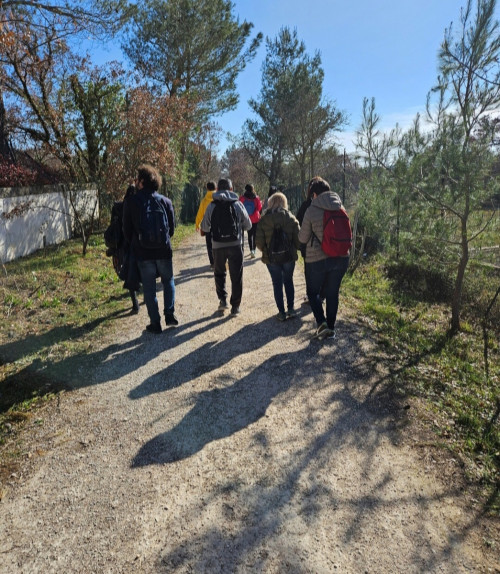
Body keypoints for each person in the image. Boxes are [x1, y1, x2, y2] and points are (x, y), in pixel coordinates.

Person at [123, 164, 177, 334]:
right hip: (164, 250)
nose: (135, 182)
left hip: (143, 253)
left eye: (137, 179)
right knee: (168, 281)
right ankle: (169, 315)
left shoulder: (132, 202)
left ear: (142, 182)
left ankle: (155, 323)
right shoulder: (165, 201)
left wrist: (138, 242)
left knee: (149, 288)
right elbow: (172, 228)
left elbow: (126, 229)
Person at [298, 177, 350, 340]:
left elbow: (303, 238)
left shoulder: (311, 210)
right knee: (333, 292)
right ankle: (331, 327)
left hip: (317, 259)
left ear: (314, 194)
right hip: (341, 257)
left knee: (313, 293)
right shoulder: (341, 206)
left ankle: (321, 323)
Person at [201, 178, 252, 315]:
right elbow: (248, 225)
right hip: (235, 245)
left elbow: (204, 227)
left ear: (217, 190)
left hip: (217, 246)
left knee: (219, 273)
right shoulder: (238, 204)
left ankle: (223, 300)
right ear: (231, 189)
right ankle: (235, 307)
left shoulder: (212, 205)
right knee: (236, 275)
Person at [256, 192, 301, 321]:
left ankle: (281, 312)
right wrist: (293, 249)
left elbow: (259, 242)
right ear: (284, 203)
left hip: (271, 258)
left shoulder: (264, 220)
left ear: (270, 203)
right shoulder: (290, 218)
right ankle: (291, 309)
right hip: (288, 257)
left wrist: (265, 250)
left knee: (277, 283)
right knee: (288, 281)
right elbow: (298, 239)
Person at [107, 185, 141, 313]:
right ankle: (144, 299)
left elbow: (112, 226)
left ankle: (135, 303)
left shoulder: (118, 207)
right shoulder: (138, 207)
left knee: (129, 274)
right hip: (137, 244)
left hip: (122, 246)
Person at [195, 181, 216, 268]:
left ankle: (212, 263)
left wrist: (197, 224)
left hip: (207, 226)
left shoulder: (204, 201)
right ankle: (219, 261)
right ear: (216, 188)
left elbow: (200, 213)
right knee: (218, 244)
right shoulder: (218, 199)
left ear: (207, 189)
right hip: (218, 226)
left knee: (209, 245)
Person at [239, 183, 262, 258]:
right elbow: (259, 208)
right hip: (255, 218)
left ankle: (251, 249)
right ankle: (253, 250)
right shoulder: (256, 198)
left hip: (247, 218)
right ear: (253, 189)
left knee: (250, 235)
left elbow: (239, 207)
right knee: (255, 235)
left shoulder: (242, 198)